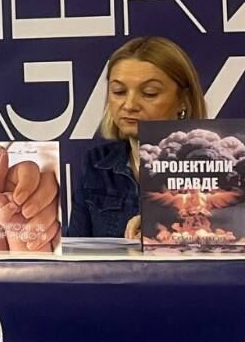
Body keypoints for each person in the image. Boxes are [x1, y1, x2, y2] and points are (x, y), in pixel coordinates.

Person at [66, 35, 206, 239]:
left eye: (149, 93)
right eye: (119, 91)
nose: (130, 105)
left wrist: (165, 230)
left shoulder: (219, 164)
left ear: (183, 100)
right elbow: (77, 251)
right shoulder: (96, 164)